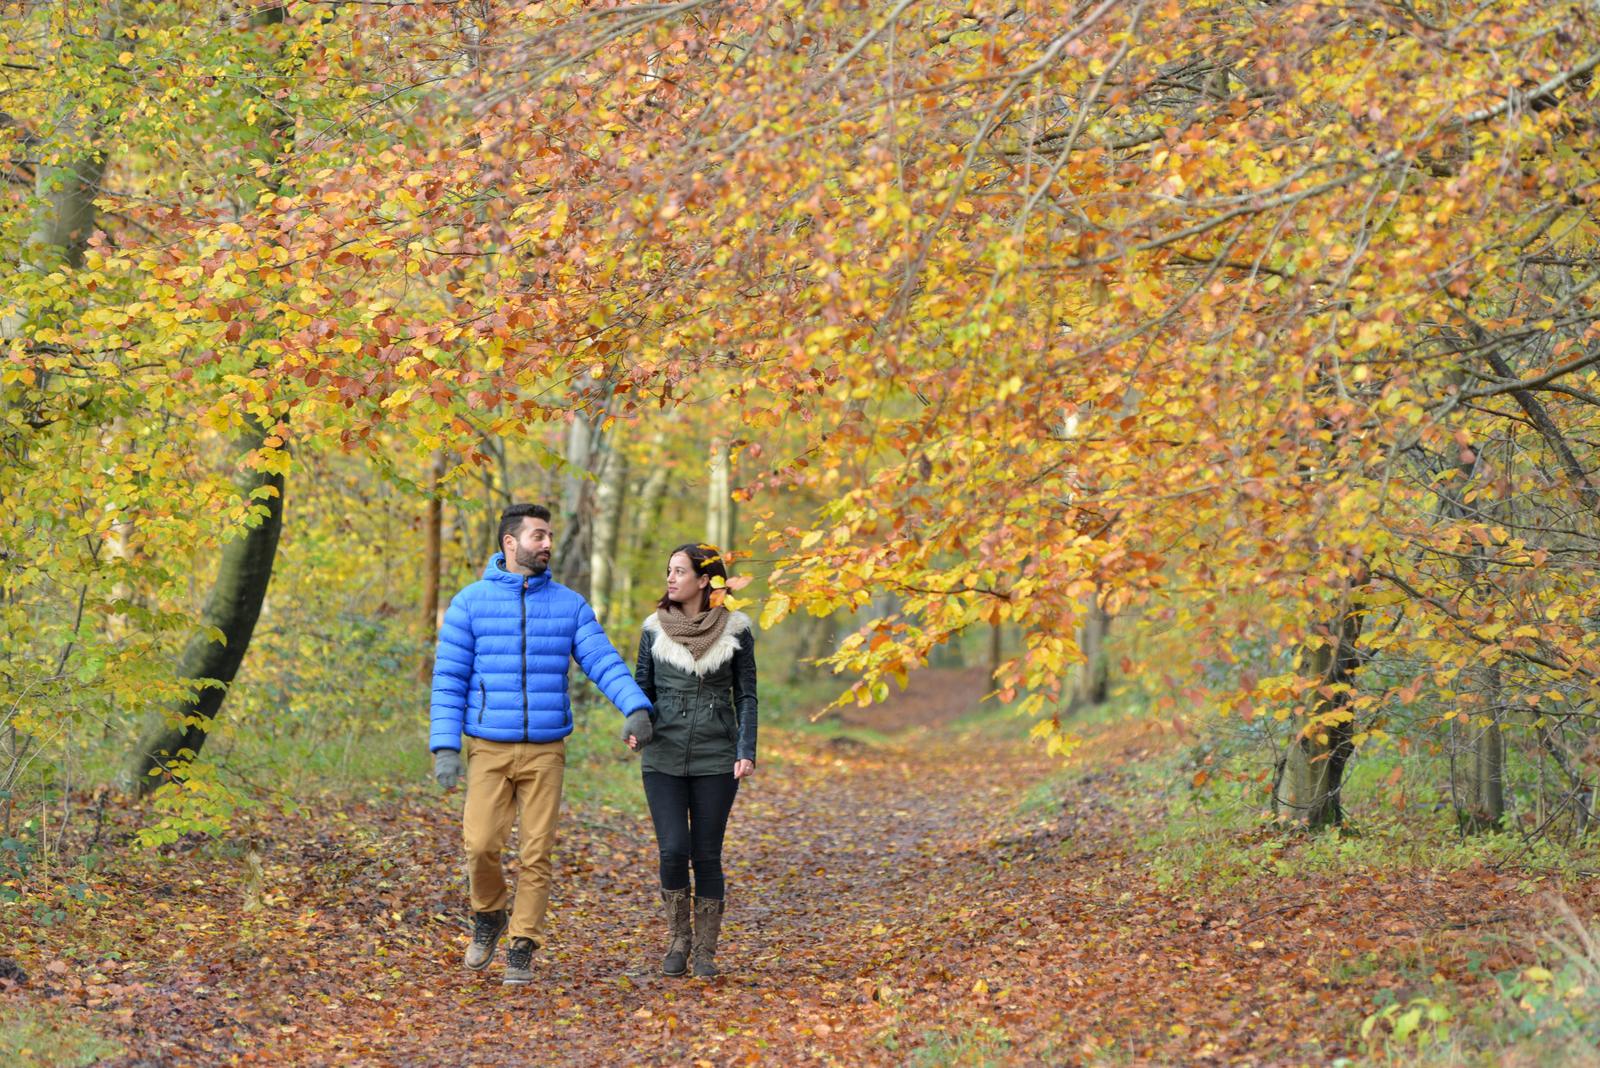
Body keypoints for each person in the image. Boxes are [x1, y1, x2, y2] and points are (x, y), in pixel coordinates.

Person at [429, 503, 654, 985]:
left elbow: (603, 660)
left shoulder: (570, 605)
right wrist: (445, 746)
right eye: (538, 535)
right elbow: (448, 679)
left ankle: (523, 945)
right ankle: (489, 914)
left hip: (546, 750)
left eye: (549, 535)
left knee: (537, 852)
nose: (547, 543)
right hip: (488, 747)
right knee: (481, 845)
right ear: (510, 543)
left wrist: (635, 706)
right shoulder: (470, 603)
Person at [627, 543, 757, 979]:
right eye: (669, 570)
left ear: (705, 580)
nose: (670, 578)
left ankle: (705, 950)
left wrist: (746, 749)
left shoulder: (736, 630)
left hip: (716, 756)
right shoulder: (653, 630)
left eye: (679, 571)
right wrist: (635, 724)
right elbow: (640, 688)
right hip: (662, 754)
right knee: (673, 849)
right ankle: (678, 939)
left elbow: (747, 695)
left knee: (706, 853)